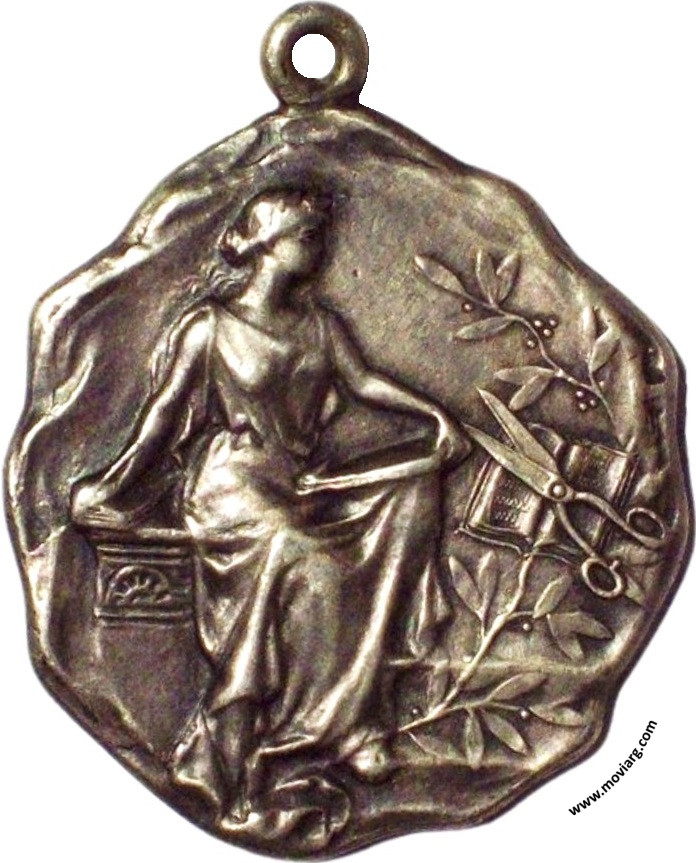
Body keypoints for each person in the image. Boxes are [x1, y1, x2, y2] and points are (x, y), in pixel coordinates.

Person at [72, 188, 469, 839]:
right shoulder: (210, 327)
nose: (321, 248)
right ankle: (281, 734)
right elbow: (162, 417)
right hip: (233, 490)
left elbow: (363, 382)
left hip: (301, 480)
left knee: (410, 495)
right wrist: (113, 486)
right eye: (308, 237)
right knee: (299, 554)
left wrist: (433, 415)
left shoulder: (320, 326)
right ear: (268, 245)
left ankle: (349, 721)